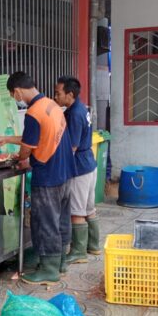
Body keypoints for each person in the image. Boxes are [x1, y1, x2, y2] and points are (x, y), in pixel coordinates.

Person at [0, 72, 74, 285]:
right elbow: (37, 137)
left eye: (13, 95)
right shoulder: (50, 105)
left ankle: (49, 270)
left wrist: (20, 158)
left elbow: (28, 147)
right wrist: (7, 138)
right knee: (61, 219)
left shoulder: (33, 112)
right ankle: (60, 263)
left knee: (45, 222)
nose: (15, 99)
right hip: (65, 171)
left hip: (48, 174)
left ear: (16, 91)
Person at [54, 76, 101, 269]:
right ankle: (93, 246)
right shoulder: (82, 108)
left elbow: (71, 147)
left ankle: (78, 251)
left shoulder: (74, 114)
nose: (55, 96)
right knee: (89, 208)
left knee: (77, 211)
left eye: (58, 93)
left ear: (69, 95)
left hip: (79, 167)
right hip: (90, 163)